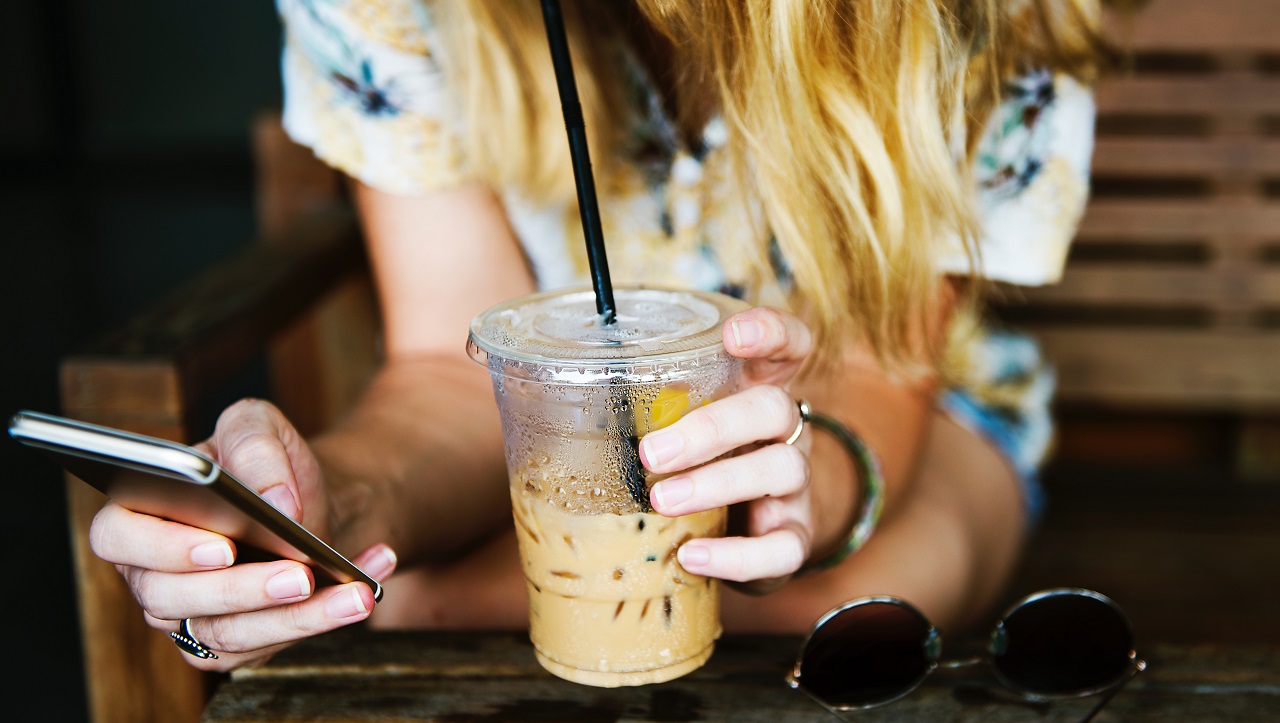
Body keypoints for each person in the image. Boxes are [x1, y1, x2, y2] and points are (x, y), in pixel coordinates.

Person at [88, 0, 1110, 671]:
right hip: (555, 439)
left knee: (853, 605)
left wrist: (802, 486)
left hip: (904, 413)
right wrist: (328, 511)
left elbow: (884, 369)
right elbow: (451, 370)